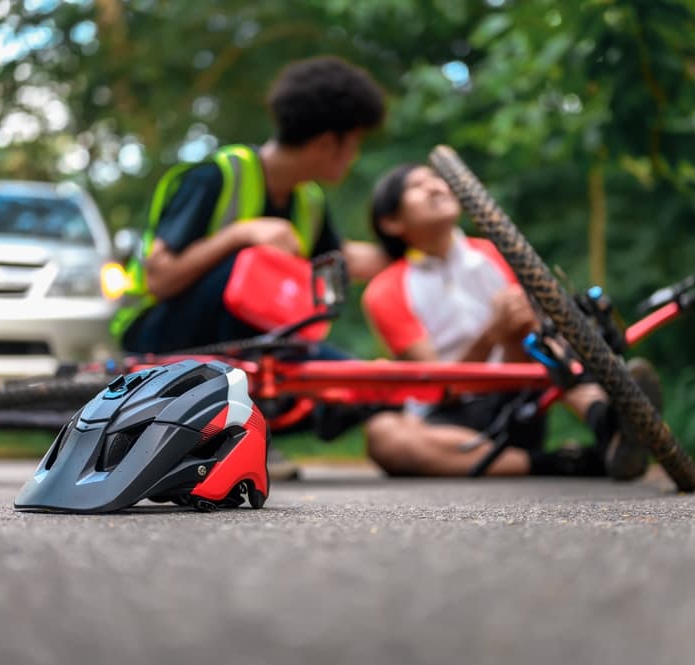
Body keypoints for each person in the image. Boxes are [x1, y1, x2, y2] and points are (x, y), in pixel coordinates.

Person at [361, 163, 662, 480]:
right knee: (383, 437)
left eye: (437, 178)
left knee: (532, 327)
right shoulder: (384, 290)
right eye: (417, 186)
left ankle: (607, 421)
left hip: (518, 394)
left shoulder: (496, 251)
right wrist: (490, 336)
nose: (436, 186)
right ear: (391, 222)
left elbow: (541, 333)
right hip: (450, 419)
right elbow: (438, 388)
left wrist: (517, 331)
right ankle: (564, 462)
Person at [112, 56, 390, 354]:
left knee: (343, 375)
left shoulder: (309, 200)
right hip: (157, 334)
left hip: (251, 340)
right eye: (355, 142)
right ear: (326, 143)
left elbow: (342, 259)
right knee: (253, 266)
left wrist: (420, 246)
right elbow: (159, 279)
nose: (355, 155)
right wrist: (241, 234)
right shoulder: (216, 177)